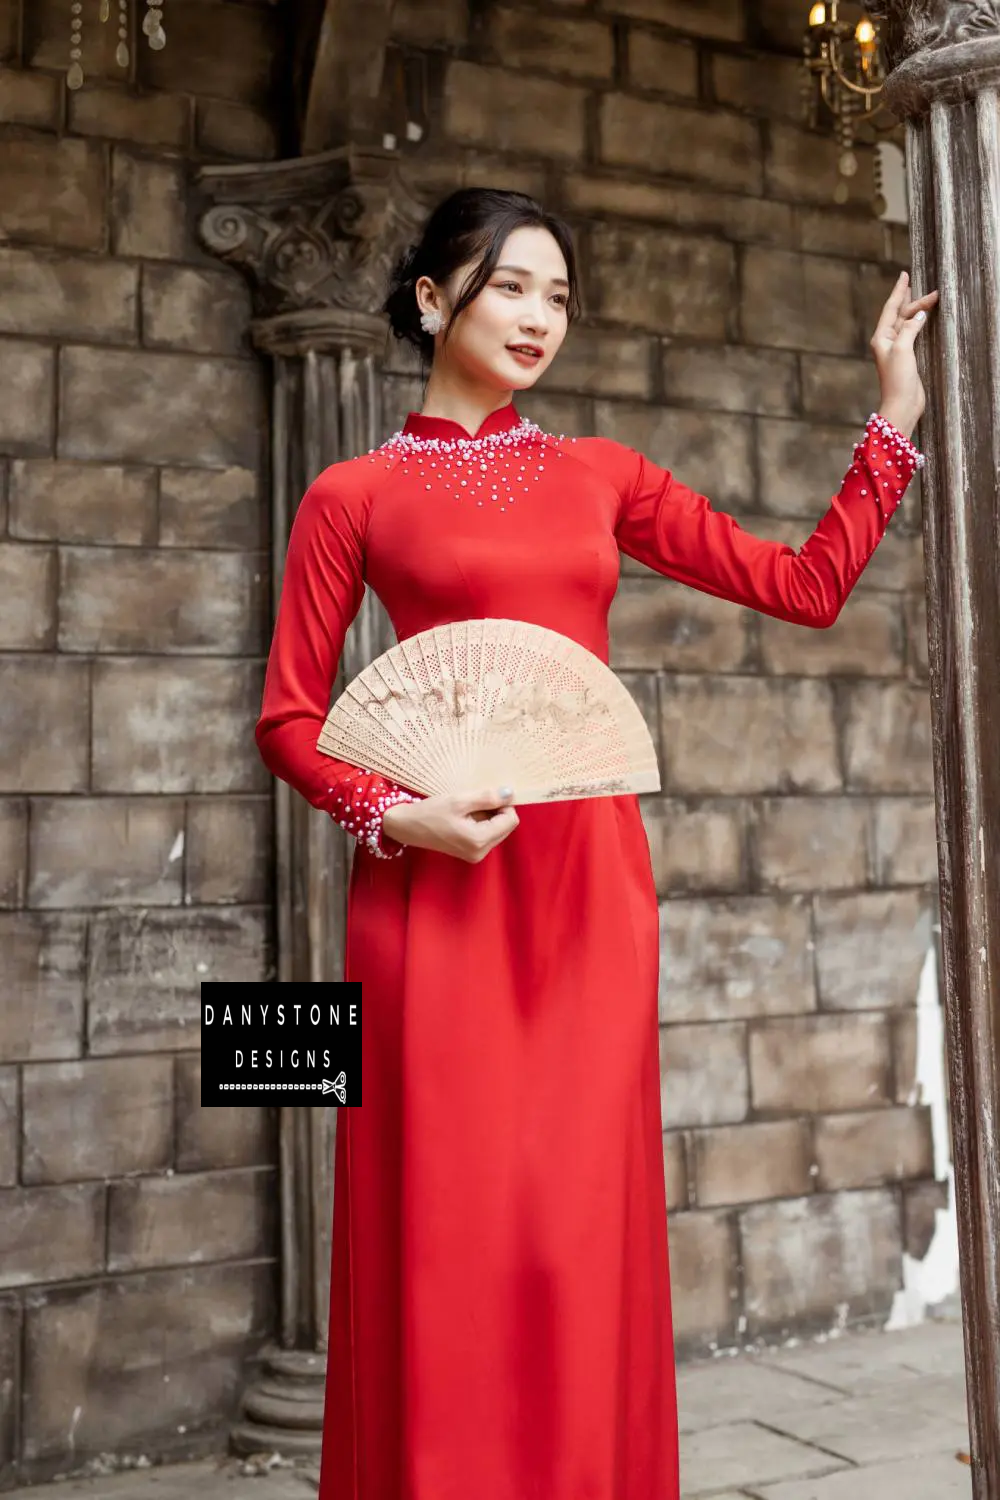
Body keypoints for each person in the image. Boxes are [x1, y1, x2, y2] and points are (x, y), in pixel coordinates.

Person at [255, 187, 938, 1500]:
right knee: (441, 1229)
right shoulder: (354, 493)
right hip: (429, 894)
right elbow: (289, 721)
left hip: (589, 893)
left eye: (560, 297)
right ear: (431, 299)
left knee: (573, 1228)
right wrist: (396, 815)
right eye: (513, 286)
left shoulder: (599, 474)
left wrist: (891, 420)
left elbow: (802, 587)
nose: (539, 318)